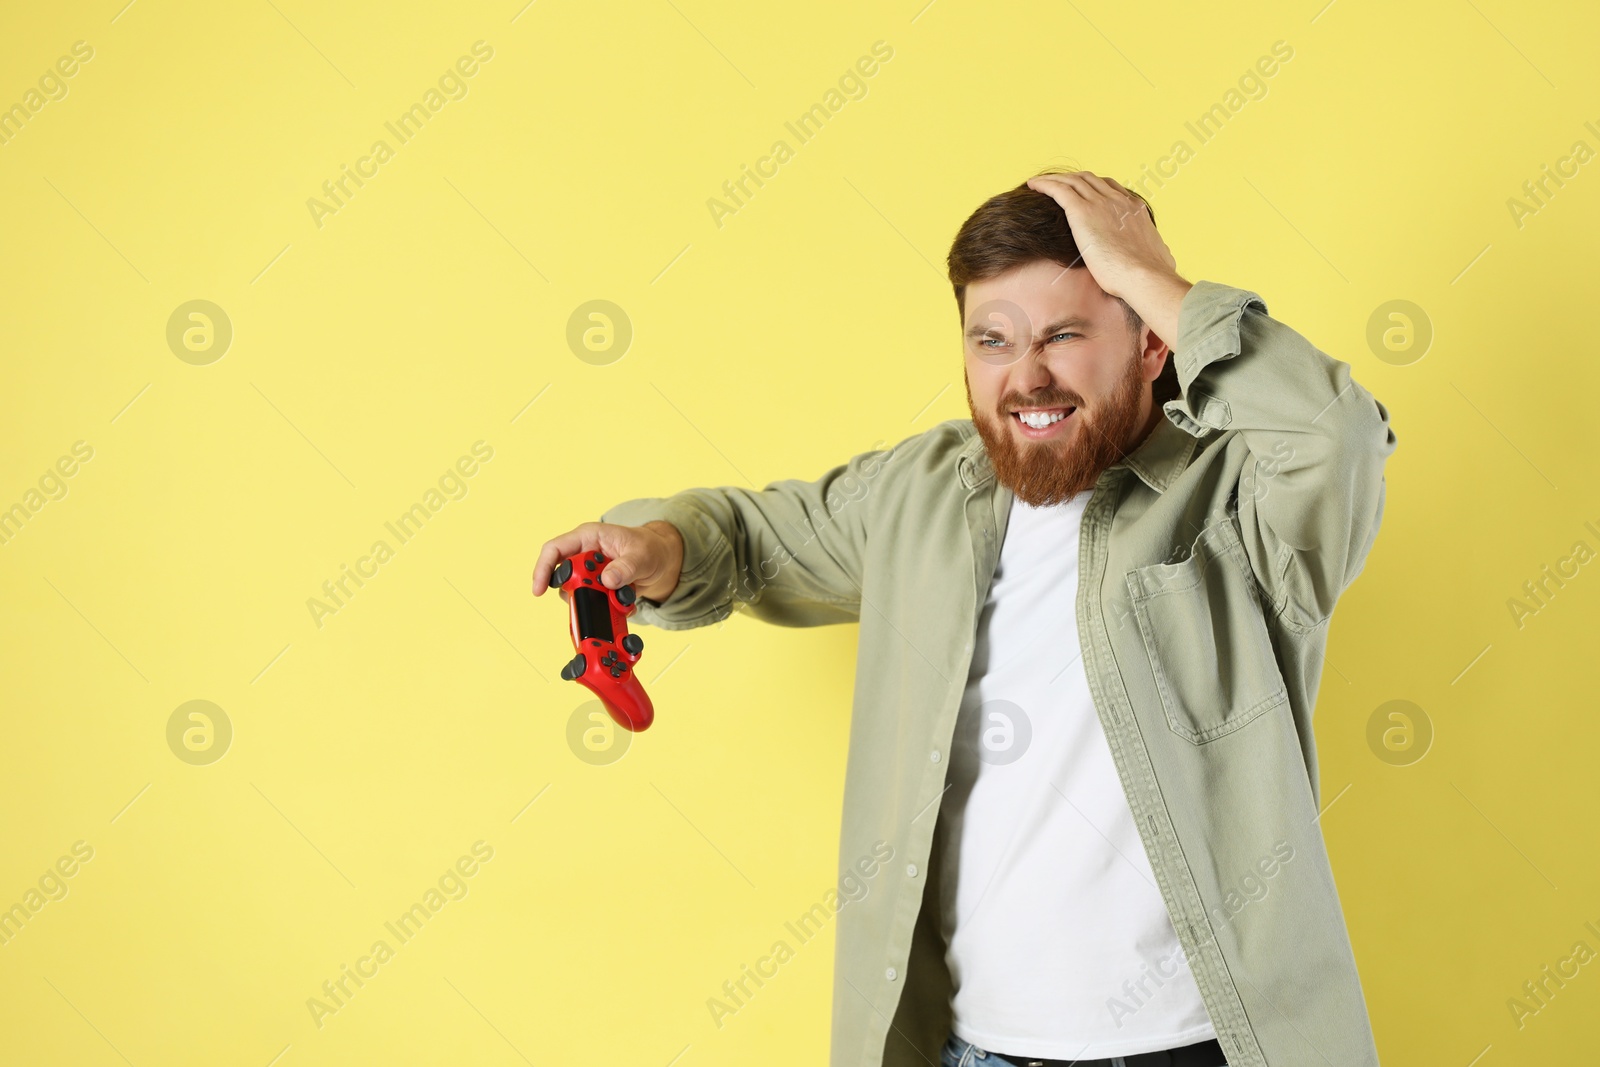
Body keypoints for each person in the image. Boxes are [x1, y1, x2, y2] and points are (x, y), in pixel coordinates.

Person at [532, 169, 1396, 1067]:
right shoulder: (923, 492)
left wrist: (1148, 275)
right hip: (976, 1051)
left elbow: (1337, 437)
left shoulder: (1240, 496)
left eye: (1065, 334)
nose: (1027, 376)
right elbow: (749, 539)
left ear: (1150, 345)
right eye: (993, 339)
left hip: (1204, 1046)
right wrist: (662, 549)